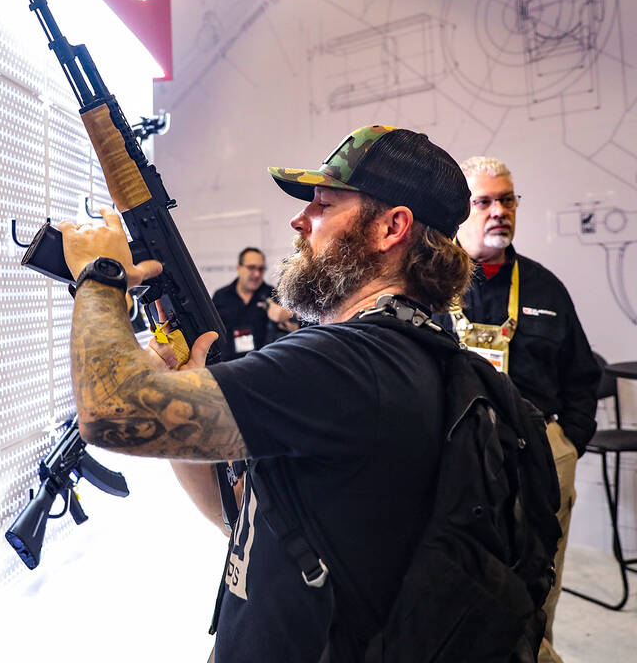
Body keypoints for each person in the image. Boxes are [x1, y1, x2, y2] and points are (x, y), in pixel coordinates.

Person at [56, 126, 475, 660]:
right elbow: (247, 519)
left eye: (323, 204)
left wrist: (100, 274)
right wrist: (191, 400)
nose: (300, 221)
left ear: (392, 227)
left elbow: (108, 412)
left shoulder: (349, 364)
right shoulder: (418, 349)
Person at [444, 156, 600, 663]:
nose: (498, 211)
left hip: (543, 455)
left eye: (507, 199)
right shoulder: (431, 286)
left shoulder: (545, 287)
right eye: (483, 201)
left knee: (539, 579)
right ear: (460, 209)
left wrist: (568, 443)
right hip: (456, 460)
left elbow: (581, 376)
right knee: (459, 583)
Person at [211, 246, 297, 356]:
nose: (257, 274)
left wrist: (287, 317)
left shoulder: (273, 295)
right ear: (239, 268)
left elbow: (293, 329)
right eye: (251, 268)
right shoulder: (221, 296)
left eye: (261, 269)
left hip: (262, 364)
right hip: (230, 365)